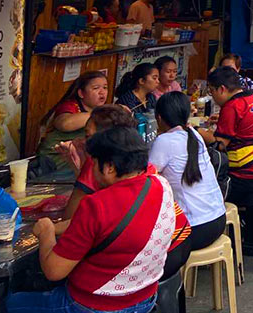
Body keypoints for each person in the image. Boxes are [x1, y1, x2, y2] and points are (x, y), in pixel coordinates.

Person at [7, 127, 175, 313]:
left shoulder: (97, 205)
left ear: (110, 167)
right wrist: (56, 228)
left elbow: (53, 271)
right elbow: (95, 226)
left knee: (10, 303)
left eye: (94, 163)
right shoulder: (161, 185)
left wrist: (46, 230)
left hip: (92, 306)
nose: (91, 169)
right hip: (145, 299)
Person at [55, 105, 193, 283]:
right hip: (179, 241)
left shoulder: (100, 160)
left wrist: (47, 230)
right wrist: (79, 168)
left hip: (157, 258)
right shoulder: (139, 163)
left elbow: (73, 219)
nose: (83, 142)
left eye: (88, 137)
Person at [150, 93, 227, 251]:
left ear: (159, 118)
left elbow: (147, 178)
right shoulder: (194, 135)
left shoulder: (164, 141)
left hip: (195, 228)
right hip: (218, 219)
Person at [199, 67, 253, 204]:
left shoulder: (231, 107)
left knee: (204, 190)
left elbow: (220, 145)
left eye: (212, 91)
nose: (213, 96)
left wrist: (197, 131)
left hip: (248, 175)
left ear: (222, 89)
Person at [37, 71, 108, 170]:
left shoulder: (100, 109)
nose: (102, 92)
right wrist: (101, 114)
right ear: (81, 93)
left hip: (75, 163)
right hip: (51, 163)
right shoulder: (70, 106)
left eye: (105, 87)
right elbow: (65, 124)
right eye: (96, 88)